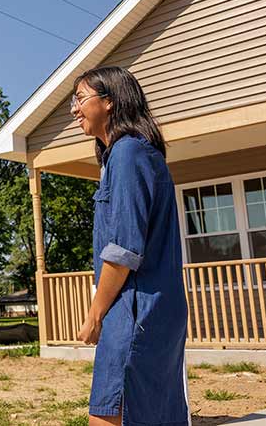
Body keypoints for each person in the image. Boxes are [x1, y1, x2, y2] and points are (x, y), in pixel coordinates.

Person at [71, 66, 189, 426]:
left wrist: (95, 315)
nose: (75, 109)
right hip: (151, 310)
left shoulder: (127, 154)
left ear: (109, 102)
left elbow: (122, 251)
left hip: (135, 311)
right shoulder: (128, 156)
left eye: (80, 98)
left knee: (107, 415)